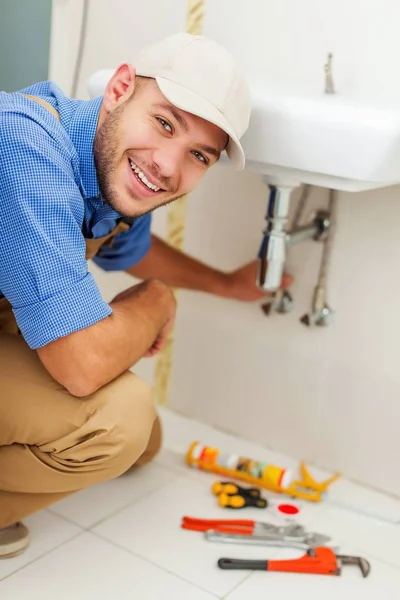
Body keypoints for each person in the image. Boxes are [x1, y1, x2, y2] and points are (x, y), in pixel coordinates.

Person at [0, 32, 291, 559]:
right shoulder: (24, 147)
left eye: (198, 155)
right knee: (118, 421)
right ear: (119, 88)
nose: (167, 166)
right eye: (164, 123)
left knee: (144, 443)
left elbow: (127, 249)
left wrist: (225, 284)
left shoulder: (118, 165)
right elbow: (82, 366)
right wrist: (158, 300)